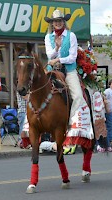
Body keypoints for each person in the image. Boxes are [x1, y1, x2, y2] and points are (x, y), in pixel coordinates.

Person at [44, 10, 94, 148]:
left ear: (63, 22)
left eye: (60, 21)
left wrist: (59, 58)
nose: (58, 23)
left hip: (68, 70)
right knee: (39, 90)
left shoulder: (71, 36)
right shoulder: (48, 37)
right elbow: (49, 55)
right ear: (52, 23)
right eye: (55, 21)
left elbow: (72, 57)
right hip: (53, 70)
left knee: (77, 96)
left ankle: (71, 124)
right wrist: (57, 47)